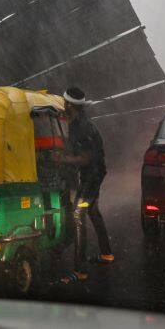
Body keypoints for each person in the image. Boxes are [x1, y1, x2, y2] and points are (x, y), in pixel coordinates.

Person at [54, 86, 113, 284]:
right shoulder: (80, 121)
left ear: (70, 104)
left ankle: (80, 270)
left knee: (79, 213)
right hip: (96, 172)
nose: (63, 107)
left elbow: (86, 157)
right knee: (93, 211)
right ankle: (106, 254)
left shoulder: (82, 126)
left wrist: (63, 159)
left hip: (92, 175)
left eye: (65, 104)